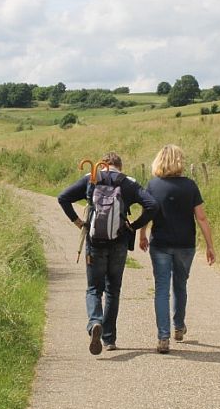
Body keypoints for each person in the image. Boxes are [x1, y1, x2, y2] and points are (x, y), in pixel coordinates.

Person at [58, 152, 158, 355]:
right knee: (113, 289)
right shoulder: (128, 182)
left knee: (94, 288)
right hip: (119, 242)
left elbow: (63, 198)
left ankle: (95, 321)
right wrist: (134, 226)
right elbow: (152, 205)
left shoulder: (91, 178)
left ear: (103, 165)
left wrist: (79, 223)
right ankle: (109, 339)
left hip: (95, 242)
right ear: (119, 166)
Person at [139, 144, 216, 354]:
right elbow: (201, 217)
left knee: (162, 289)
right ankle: (179, 327)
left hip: (161, 244)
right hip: (185, 244)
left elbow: (148, 212)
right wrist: (210, 245)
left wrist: (142, 233)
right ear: (180, 161)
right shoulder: (190, 186)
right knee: (180, 285)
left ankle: (163, 337)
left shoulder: (153, 185)